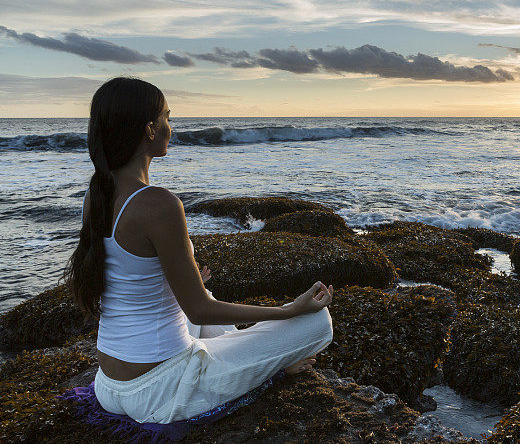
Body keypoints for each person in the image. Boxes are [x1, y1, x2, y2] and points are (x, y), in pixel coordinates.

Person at [63, 76, 334, 424]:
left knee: (202, 290)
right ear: (149, 129)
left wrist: (191, 285)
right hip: (162, 389)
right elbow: (200, 311)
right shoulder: (158, 204)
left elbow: (134, 278)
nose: (171, 127)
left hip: (111, 385)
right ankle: (269, 365)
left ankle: (257, 358)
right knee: (316, 322)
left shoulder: (94, 196)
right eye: (167, 117)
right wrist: (289, 310)